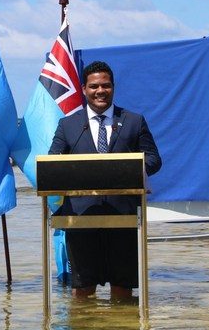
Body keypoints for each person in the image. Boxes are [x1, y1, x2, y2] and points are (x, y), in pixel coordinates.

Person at [49, 60, 162, 298]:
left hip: (124, 216)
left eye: (106, 85)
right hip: (80, 218)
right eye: (94, 86)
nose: (100, 91)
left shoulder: (133, 121)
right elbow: (53, 162)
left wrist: (128, 171)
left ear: (113, 87)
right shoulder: (68, 125)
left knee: (122, 290)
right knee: (82, 291)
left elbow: (153, 159)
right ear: (84, 89)